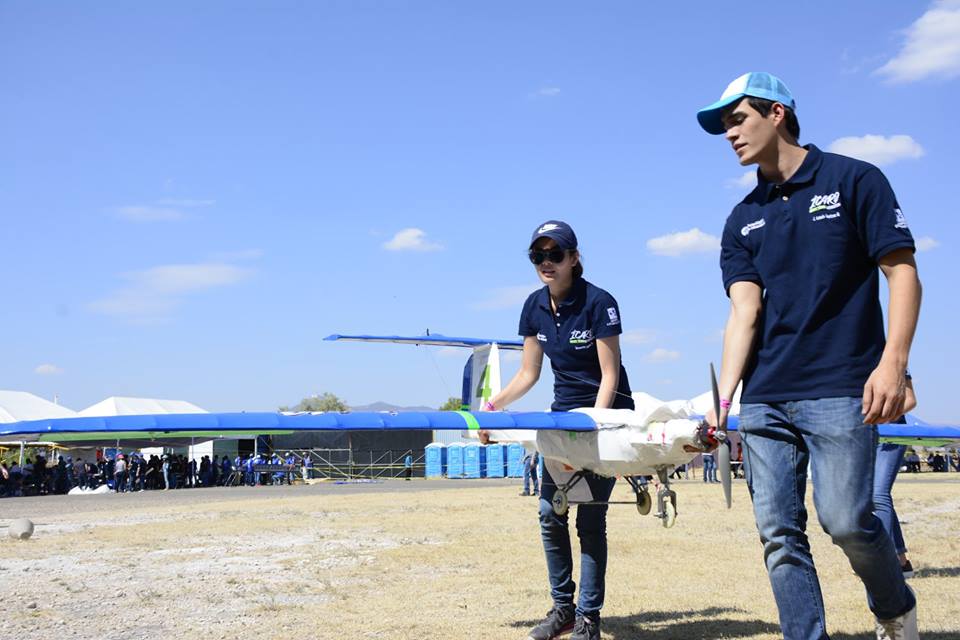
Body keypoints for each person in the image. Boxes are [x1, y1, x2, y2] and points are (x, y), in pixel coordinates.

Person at [697, 72, 920, 639]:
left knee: (846, 521)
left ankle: (894, 607)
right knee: (778, 533)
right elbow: (743, 312)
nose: (729, 133)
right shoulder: (741, 218)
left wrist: (894, 362)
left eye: (737, 118)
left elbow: (901, 273)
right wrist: (724, 399)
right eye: (723, 125)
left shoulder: (855, 179)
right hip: (766, 396)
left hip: (843, 386)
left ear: (776, 114)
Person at [478, 220, 634, 640]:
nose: (546, 262)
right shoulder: (533, 305)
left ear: (574, 257)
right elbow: (529, 373)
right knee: (550, 514)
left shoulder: (600, 302)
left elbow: (609, 375)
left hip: (605, 416)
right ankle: (562, 609)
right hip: (562, 418)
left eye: (555, 254)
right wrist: (492, 407)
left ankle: (589, 618)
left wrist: (594, 429)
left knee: (590, 520)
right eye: (538, 255)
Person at [874, 379, 918, 579]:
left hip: (891, 433)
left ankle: (886, 561)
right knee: (875, 497)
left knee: (878, 494)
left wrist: (885, 416)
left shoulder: (892, 357)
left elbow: (910, 401)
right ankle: (901, 561)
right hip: (865, 433)